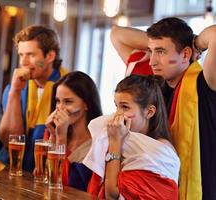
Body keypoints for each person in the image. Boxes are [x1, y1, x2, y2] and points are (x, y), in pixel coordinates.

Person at [110, 18, 216, 200]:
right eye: (150, 51)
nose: (152, 62)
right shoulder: (153, 88)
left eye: (160, 52)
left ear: (185, 55)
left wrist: (195, 43)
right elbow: (116, 34)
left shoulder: (204, 83)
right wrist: (160, 41)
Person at [84, 75, 180, 199]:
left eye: (125, 107)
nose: (117, 115)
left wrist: (115, 143)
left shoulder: (160, 151)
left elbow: (112, 195)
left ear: (149, 112)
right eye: (116, 106)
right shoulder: (125, 140)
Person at [0, 25, 67, 172]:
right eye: (21, 55)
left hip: (45, 171)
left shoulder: (68, 89)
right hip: (9, 167)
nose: (23, 62)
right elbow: (9, 139)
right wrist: (15, 92)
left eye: (31, 55)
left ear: (50, 57)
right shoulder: (14, 88)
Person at [45, 71, 102, 191]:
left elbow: (62, 185)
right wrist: (53, 137)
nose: (60, 108)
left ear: (86, 104)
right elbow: (44, 180)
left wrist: (61, 138)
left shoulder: (97, 144)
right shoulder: (53, 131)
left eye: (68, 102)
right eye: (57, 101)